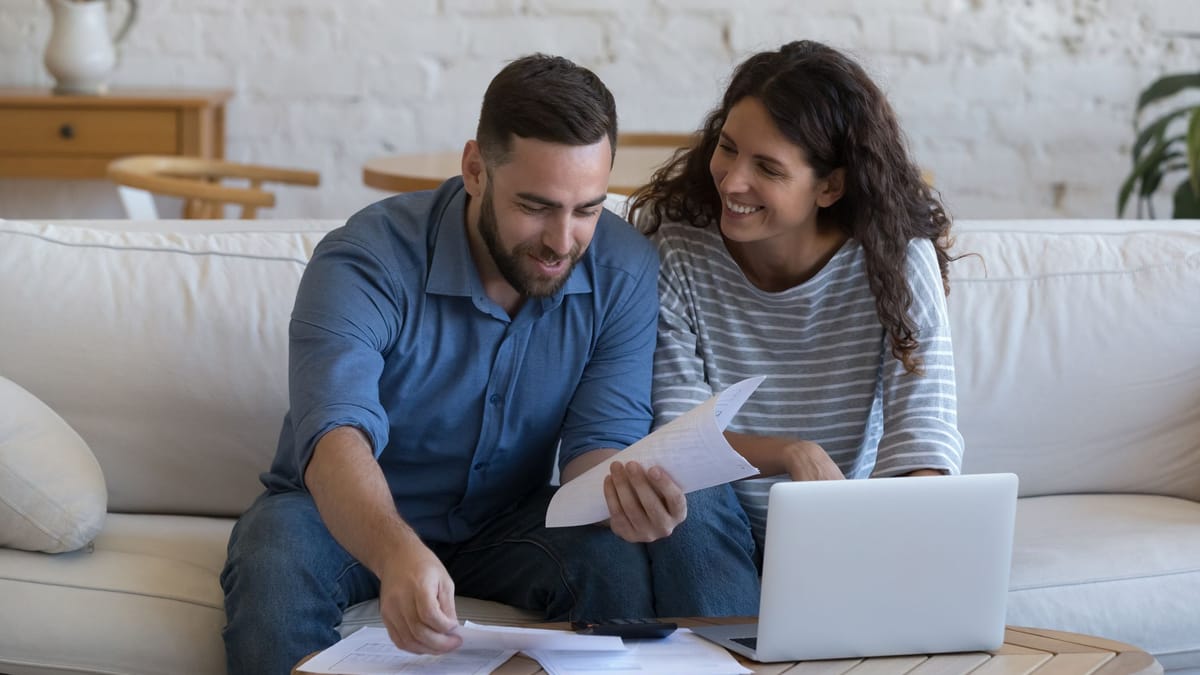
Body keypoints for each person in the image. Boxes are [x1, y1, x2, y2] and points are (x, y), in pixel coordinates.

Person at [219, 54, 759, 675]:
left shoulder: (623, 269)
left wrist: (624, 497)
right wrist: (396, 553)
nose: (562, 241)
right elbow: (336, 436)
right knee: (272, 563)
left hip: (507, 520)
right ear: (476, 170)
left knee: (614, 561)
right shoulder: (365, 259)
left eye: (587, 209)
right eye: (536, 206)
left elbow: (598, 443)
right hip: (334, 517)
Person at [627, 40, 965, 554]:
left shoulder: (896, 259)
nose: (732, 181)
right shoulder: (674, 241)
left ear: (829, 187)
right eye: (728, 147)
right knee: (683, 496)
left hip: (831, 530)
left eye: (768, 168)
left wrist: (897, 542)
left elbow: (922, 436)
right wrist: (790, 452)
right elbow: (679, 436)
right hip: (707, 517)